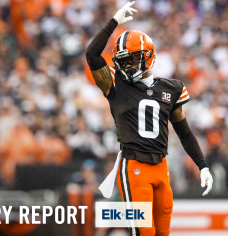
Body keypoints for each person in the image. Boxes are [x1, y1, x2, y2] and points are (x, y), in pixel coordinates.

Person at [85, 2, 213, 235]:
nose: (126, 65)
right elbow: (92, 54)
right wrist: (113, 22)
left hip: (161, 168)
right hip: (134, 167)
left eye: (132, 59)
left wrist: (202, 164)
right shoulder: (115, 85)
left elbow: (184, 132)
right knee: (144, 233)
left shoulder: (171, 89)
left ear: (148, 57)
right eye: (122, 60)